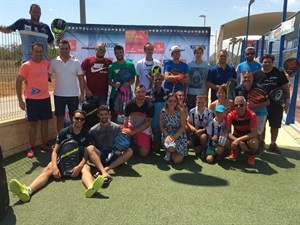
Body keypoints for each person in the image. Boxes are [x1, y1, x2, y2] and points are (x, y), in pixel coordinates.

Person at [9, 110, 109, 202]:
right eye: (77, 118)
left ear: (84, 121)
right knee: (48, 168)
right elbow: (55, 152)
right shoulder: (64, 132)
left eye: (82, 119)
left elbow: (86, 156)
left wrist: (79, 166)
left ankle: (91, 187)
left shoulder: (86, 134)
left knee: (86, 168)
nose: (79, 121)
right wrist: (55, 167)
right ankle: (27, 190)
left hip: (77, 162)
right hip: (62, 161)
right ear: (72, 118)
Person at [16, 42, 52, 158]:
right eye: (36, 51)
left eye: (40, 51)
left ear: (43, 52)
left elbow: (59, 61)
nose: (38, 53)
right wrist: (20, 100)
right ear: (31, 52)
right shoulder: (26, 65)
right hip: (31, 100)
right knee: (33, 124)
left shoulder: (46, 64)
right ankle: (31, 147)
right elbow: (18, 82)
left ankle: (45, 144)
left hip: (45, 98)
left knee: (45, 122)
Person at [253, 54, 290, 154]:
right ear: (262, 63)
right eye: (265, 62)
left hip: (276, 105)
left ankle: (273, 144)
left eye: (269, 62)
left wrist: (287, 101)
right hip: (261, 106)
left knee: (275, 125)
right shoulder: (256, 74)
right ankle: (261, 142)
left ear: (272, 63)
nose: (267, 64)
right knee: (262, 126)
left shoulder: (279, 73)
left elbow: (286, 87)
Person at [48, 40, 85, 133]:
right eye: (62, 48)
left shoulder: (76, 62)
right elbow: (46, 77)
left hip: (73, 95)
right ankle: (60, 139)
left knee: (74, 118)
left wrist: (82, 94)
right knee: (60, 118)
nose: (64, 50)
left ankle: (73, 137)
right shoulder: (54, 62)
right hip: (58, 95)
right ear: (59, 49)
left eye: (66, 48)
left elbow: (81, 79)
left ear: (69, 49)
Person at [88, 105, 133, 174]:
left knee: (130, 151)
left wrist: (120, 151)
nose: (104, 116)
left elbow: (120, 142)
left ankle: (107, 169)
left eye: (106, 114)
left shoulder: (116, 127)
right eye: (101, 114)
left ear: (109, 114)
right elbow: (93, 145)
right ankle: (102, 168)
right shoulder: (93, 130)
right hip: (101, 155)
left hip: (114, 155)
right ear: (98, 115)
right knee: (90, 148)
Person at [235, 68, 269, 155]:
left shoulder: (260, 88)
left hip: (259, 113)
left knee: (257, 132)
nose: (246, 79)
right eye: (245, 77)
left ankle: (256, 150)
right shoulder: (238, 88)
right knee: (247, 131)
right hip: (246, 113)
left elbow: (267, 102)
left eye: (249, 77)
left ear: (253, 78)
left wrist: (255, 105)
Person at [122, 84, 155, 157]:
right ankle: (130, 142)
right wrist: (127, 130)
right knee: (122, 133)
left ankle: (143, 141)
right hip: (132, 126)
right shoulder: (129, 104)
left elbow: (147, 123)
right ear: (135, 92)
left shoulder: (150, 106)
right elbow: (126, 120)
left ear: (145, 93)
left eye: (143, 92)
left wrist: (133, 133)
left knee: (144, 154)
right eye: (139, 92)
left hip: (143, 129)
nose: (141, 94)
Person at [108, 45, 136, 123]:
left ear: (123, 52)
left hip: (127, 95)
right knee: (114, 117)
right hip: (114, 94)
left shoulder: (130, 65)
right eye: (117, 53)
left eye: (120, 52)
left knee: (128, 116)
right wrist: (114, 85)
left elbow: (133, 79)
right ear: (114, 54)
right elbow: (109, 80)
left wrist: (129, 83)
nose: (119, 54)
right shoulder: (111, 66)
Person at [226, 96, 258, 166]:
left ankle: (252, 156)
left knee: (254, 142)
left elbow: (254, 134)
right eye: (236, 105)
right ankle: (235, 151)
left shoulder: (252, 115)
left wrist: (238, 140)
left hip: (248, 137)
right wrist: (239, 142)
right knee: (226, 142)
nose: (238, 107)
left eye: (241, 105)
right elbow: (227, 133)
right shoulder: (231, 115)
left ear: (246, 105)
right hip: (237, 135)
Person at [146, 66, 170, 153]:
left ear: (162, 80)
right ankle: (151, 141)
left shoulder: (167, 92)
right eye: (156, 79)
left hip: (166, 123)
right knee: (157, 149)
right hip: (154, 123)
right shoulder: (148, 93)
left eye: (160, 79)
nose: (158, 81)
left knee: (167, 147)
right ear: (152, 80)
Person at [159, 93, 187, 163]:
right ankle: (170, 151)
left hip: (179, 135)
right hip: (167, 134)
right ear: (167, 101)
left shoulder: (181, 111)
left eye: (174, 101)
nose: (172, 103)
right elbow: (161, 126)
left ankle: (172, 153)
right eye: (170, 101)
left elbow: (183, 127)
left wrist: (174, 137)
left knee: (177, 161)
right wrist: (167, 135)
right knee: (171, 147)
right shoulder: (162, 112)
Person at [187, 45, 210, 111]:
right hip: (191, 93)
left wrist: (207, 95)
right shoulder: (189, 65)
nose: (198, 54)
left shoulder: (207, 66)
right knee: (191, 112)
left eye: (200, 53)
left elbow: (207, 82)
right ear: (194, 54)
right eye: (197, 53)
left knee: (201, 112)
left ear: (202, 54)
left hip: (202, 93)